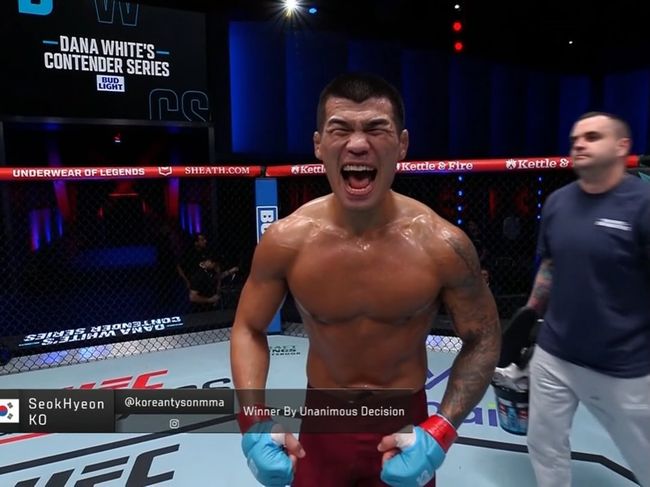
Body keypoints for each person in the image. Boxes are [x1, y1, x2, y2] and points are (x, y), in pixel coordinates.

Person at [230, 72, 501, 486]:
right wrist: (252, 422)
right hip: (323, 422)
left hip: (404, 423)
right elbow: (249, 327)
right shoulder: (286, 241)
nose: (358, 144)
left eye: (377, 129)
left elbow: (483, 335)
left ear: (402, 145)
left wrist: (442, 430)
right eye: (340, 129)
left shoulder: (442, 245)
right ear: (318, 145)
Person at [513, 112, 650, 487]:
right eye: (575, 139)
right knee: (543, 444)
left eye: (592, 137)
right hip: (555, 353)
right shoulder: (557, 202)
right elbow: (550, 265)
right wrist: (529, 315)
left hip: (622, 364)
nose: (579, 144)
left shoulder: (643, 204)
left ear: (621, 147)